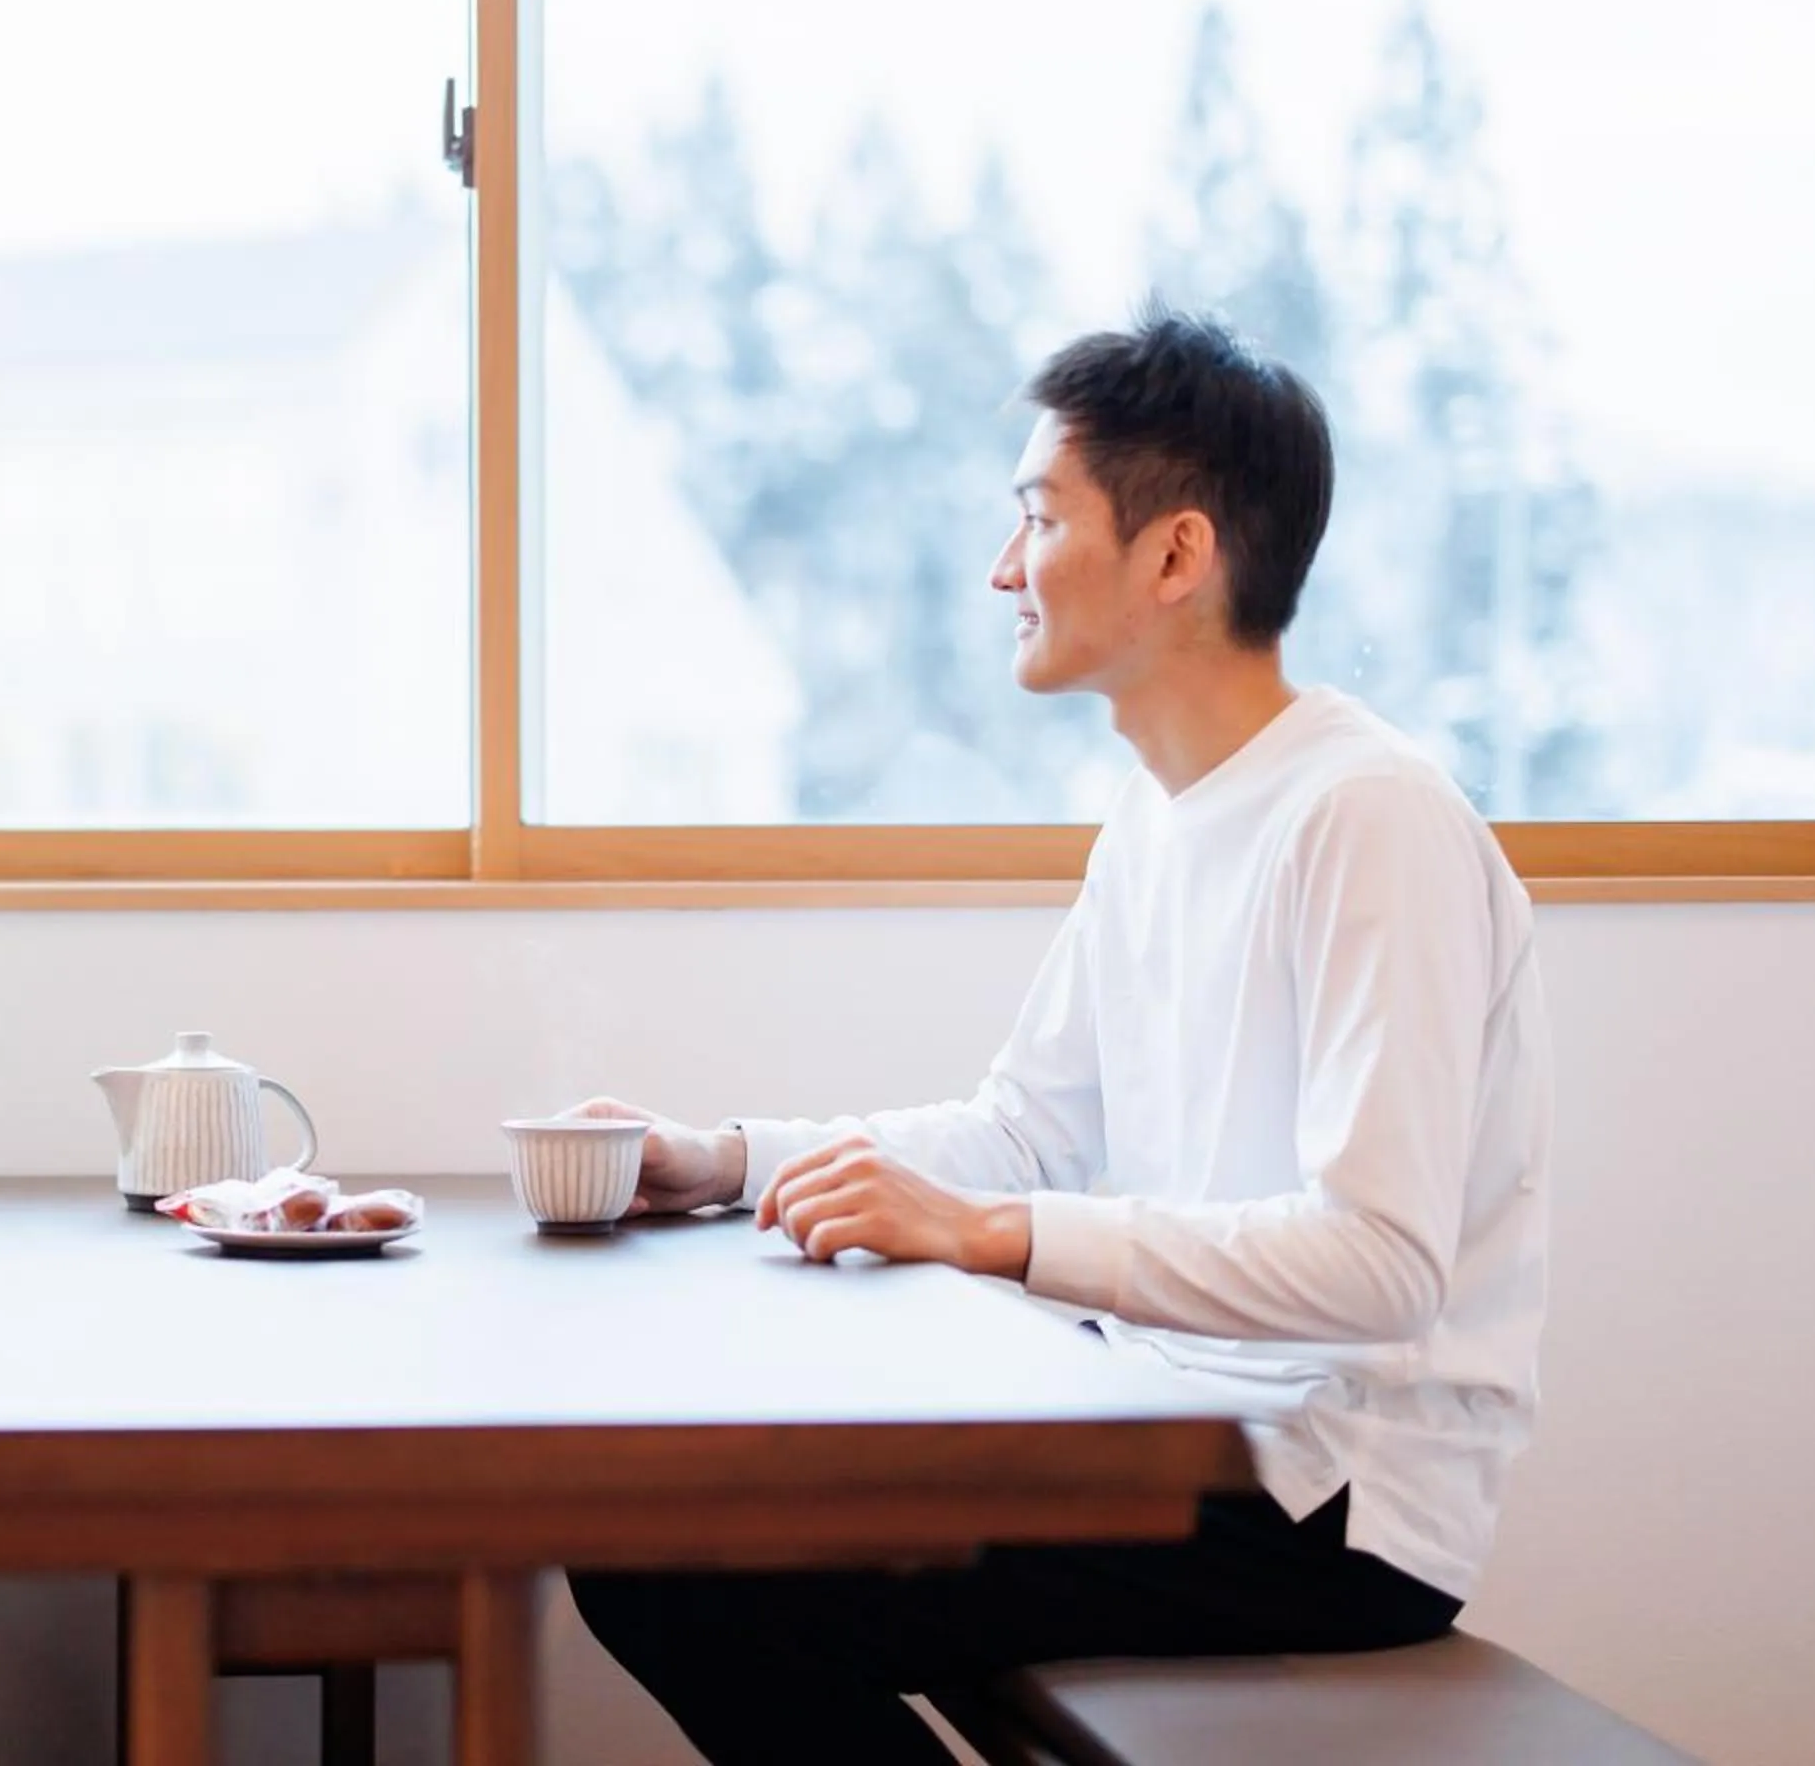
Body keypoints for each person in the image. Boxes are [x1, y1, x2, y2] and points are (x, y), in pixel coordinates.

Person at [569, 307, 1550, 1766]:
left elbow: (1383, 1267)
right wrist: (727, 1161)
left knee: (684, 1575)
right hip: (1163, 1436)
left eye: (1038, 519)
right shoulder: (1160, 815)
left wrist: (998, 1235)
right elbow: (1025, 1129)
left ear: (1174, 555)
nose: (1002, 568)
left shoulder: (1367, 816)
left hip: (1327, 1505)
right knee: (656, 1543)